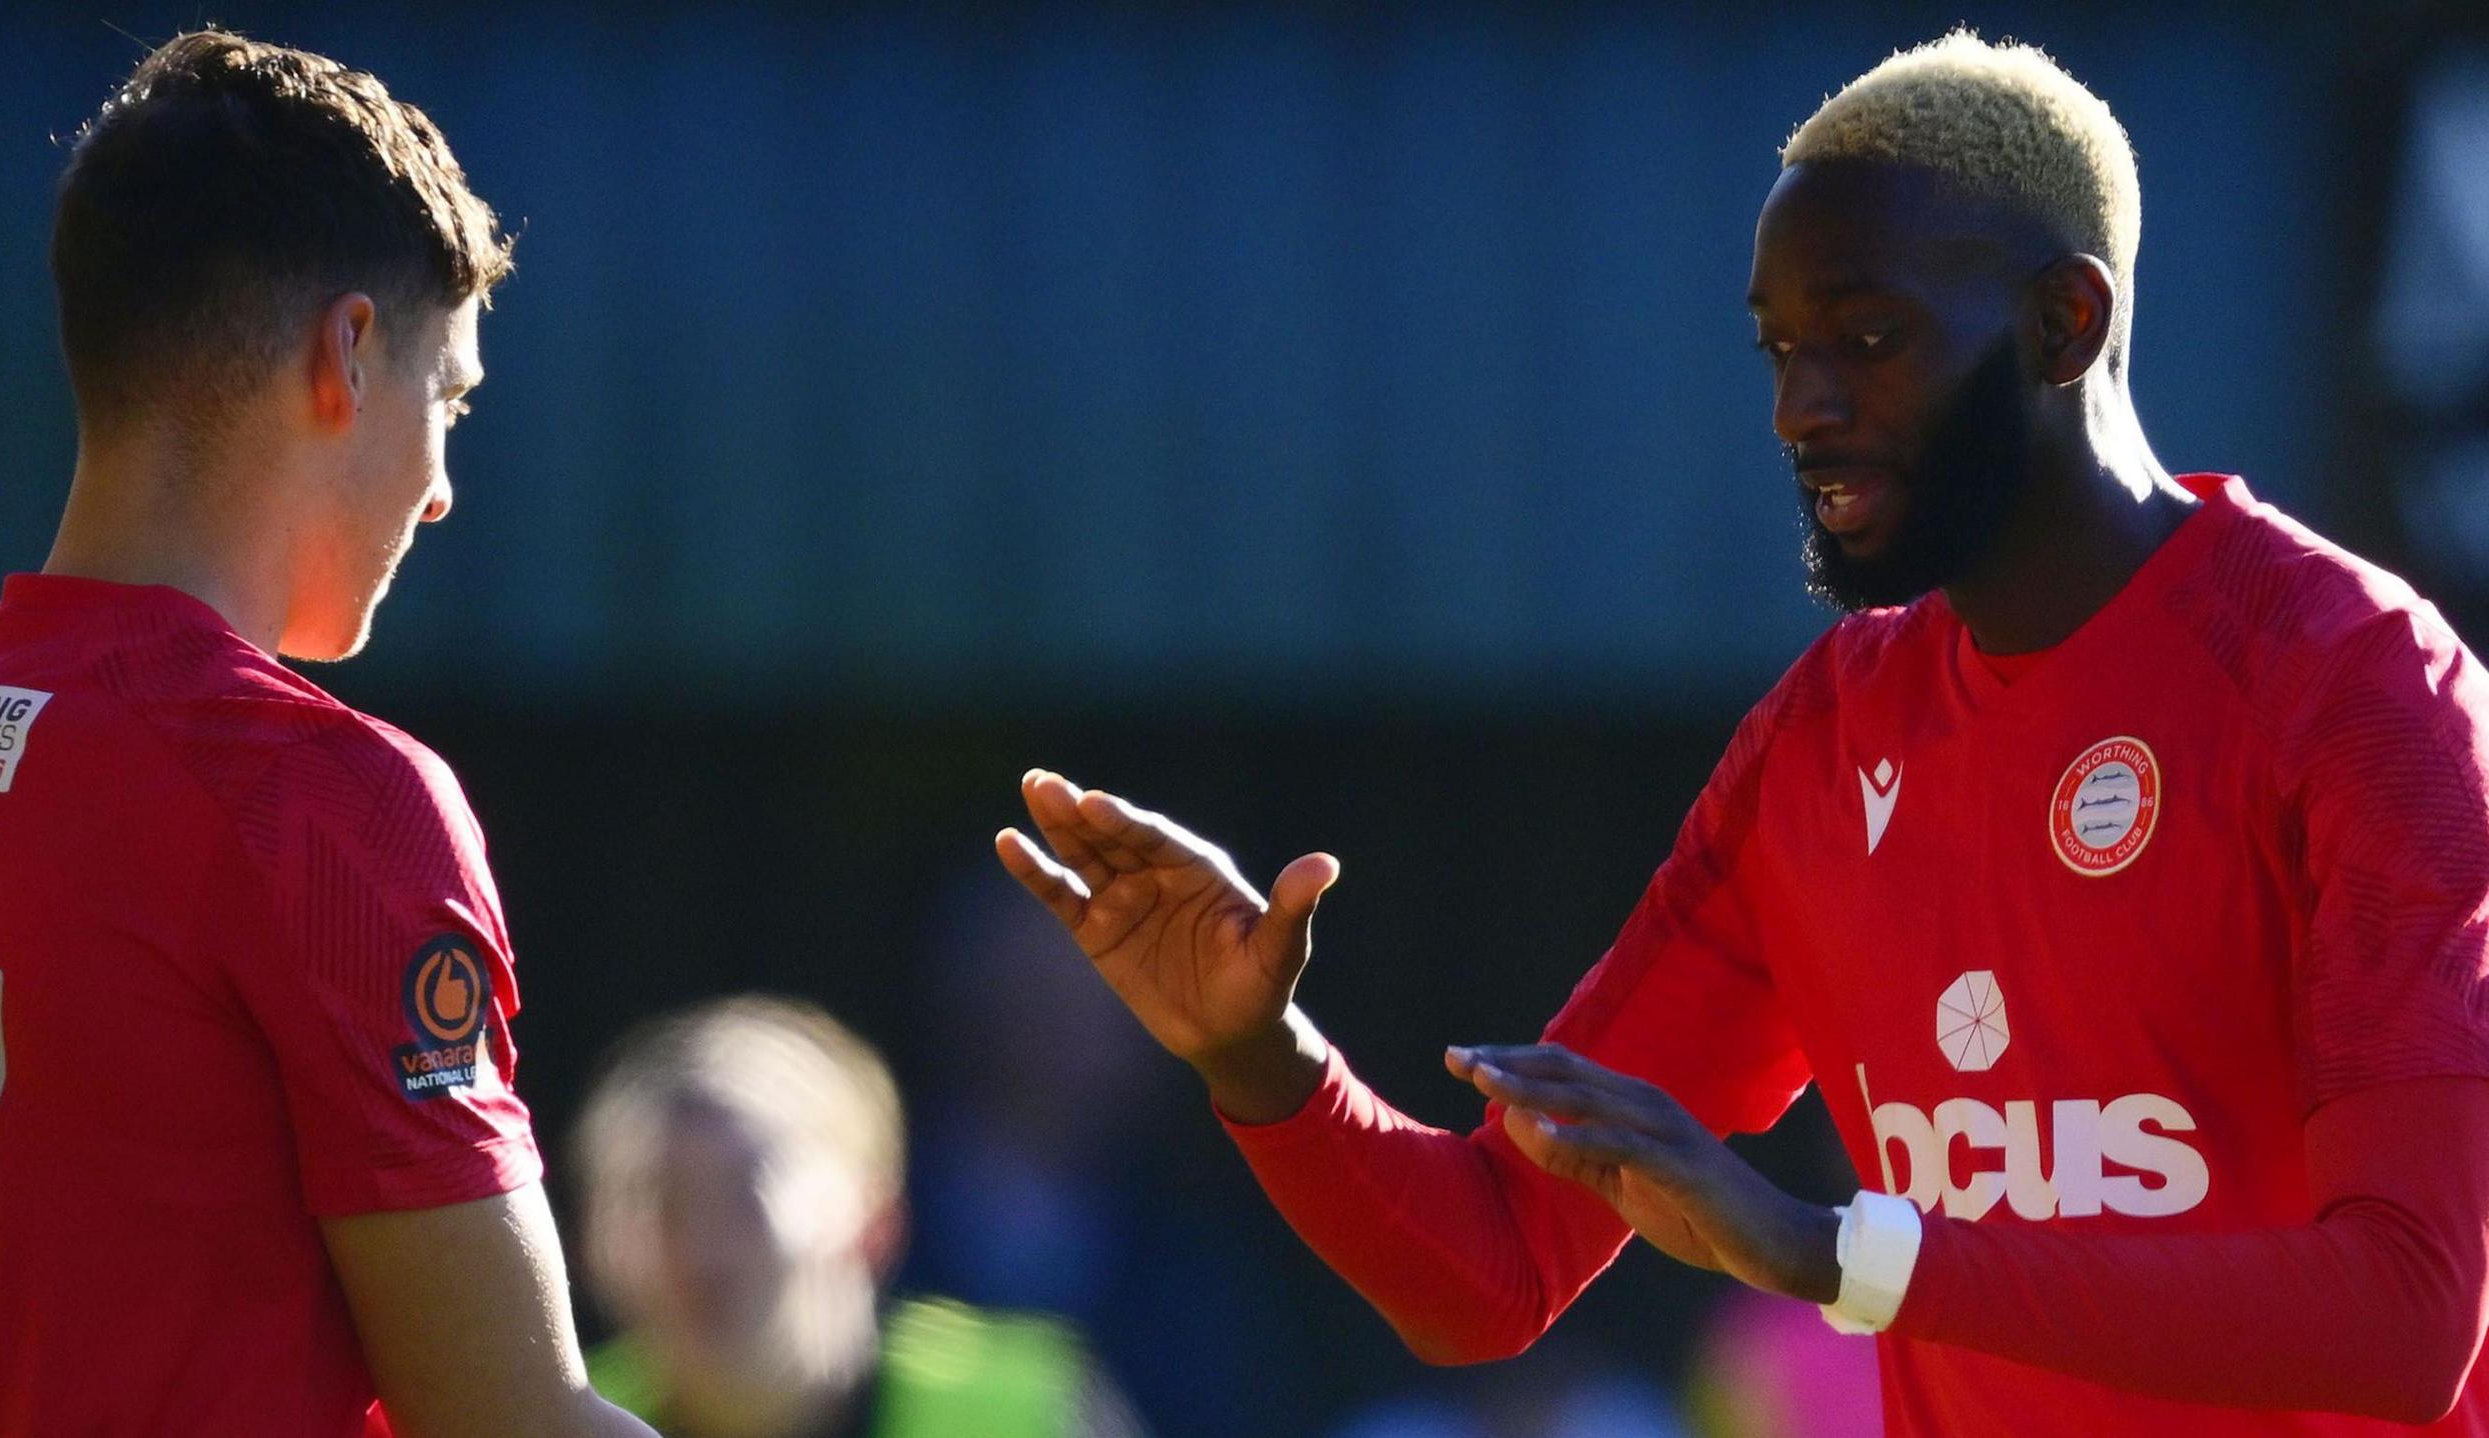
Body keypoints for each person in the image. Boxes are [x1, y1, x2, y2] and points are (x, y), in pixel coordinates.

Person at [997, 29, 2489, 1435]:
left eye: (1868, 334)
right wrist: (1260, 1052)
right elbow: (1494, 1266)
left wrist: (1832, 1250)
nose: (1800, 407)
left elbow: (2412, 1315)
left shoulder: (2355, 689)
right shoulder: (1828, 741)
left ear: (2063, 322)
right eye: (1779, 345)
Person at [0, 30, 655, 1436]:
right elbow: (511, 1418)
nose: (442, 489)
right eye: (451, 399)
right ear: (349, 351)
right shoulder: (317, 796)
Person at [573, 995, 1148, 1438]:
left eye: (743, 1194)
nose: (700, 1248)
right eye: (658, 1203)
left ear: (873, 1226)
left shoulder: (1030, 1408)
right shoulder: (545, 1419)